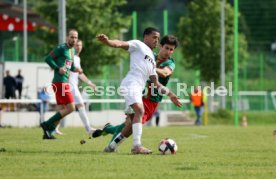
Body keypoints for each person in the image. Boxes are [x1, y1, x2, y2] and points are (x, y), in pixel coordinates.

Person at [96, 29, 182, 154]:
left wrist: (171, 94)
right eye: (154, 37)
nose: (156, 41)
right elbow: (120, 43)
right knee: (138, 113)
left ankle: (111, 146)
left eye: (158, 38)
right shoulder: (139, 45)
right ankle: (136, 146)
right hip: (133, 86)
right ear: (145, 37)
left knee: (131, 125)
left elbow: (159, 79)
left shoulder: (155, 60)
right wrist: (108, 41)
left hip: (148, 96)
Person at [40, 29, 83, 140]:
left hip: (63, 81)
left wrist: (76, 69)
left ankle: (48, 132)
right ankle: (47, 124)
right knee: (71, 108)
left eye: (75, 37)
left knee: (62, 109)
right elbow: (48, 59)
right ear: (67, 37)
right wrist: (57, 68)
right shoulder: (61, 48)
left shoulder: (72, 51)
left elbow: (69, 66)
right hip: (60, 82)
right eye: (72, 37)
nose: (74, 39)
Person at [54, 39, 96, 135]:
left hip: (72, 86)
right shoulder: (71, 57)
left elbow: (79, 73)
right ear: (73, 46)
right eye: (77, 45)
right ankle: (88, 129)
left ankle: (53, 128)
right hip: (70, 86)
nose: (79, 47)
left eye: (80, 45)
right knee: (80, 105)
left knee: (63, 108)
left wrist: (89, 83)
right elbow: (67, 69)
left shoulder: (77, 58)